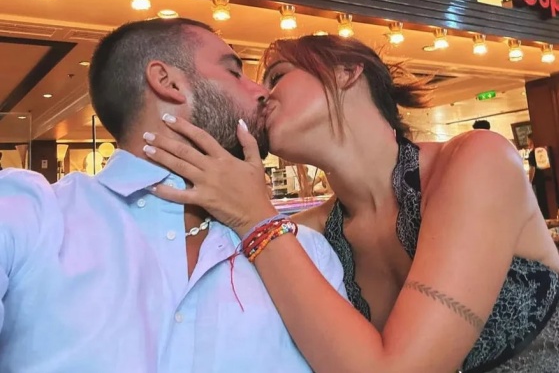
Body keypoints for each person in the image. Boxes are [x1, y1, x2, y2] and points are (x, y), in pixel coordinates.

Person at [146, 34, 559, 372]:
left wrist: (257, 219)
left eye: (278, 76)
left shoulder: (476, 160)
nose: (262, 95)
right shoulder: (312, 235)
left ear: (347, 72)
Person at [0, 19, 345, 372]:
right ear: (168, 82)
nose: (262, 92)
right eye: (234, 73)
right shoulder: (29, 214)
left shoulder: (308, 252)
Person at [528, 133, 550, 218]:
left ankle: (544, 219)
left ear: (531, 141)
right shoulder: (544, 150)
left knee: (540, 203)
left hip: (537, 181)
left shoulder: (532, 153)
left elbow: (532, 169)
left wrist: (529, 182)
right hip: (545, 179)